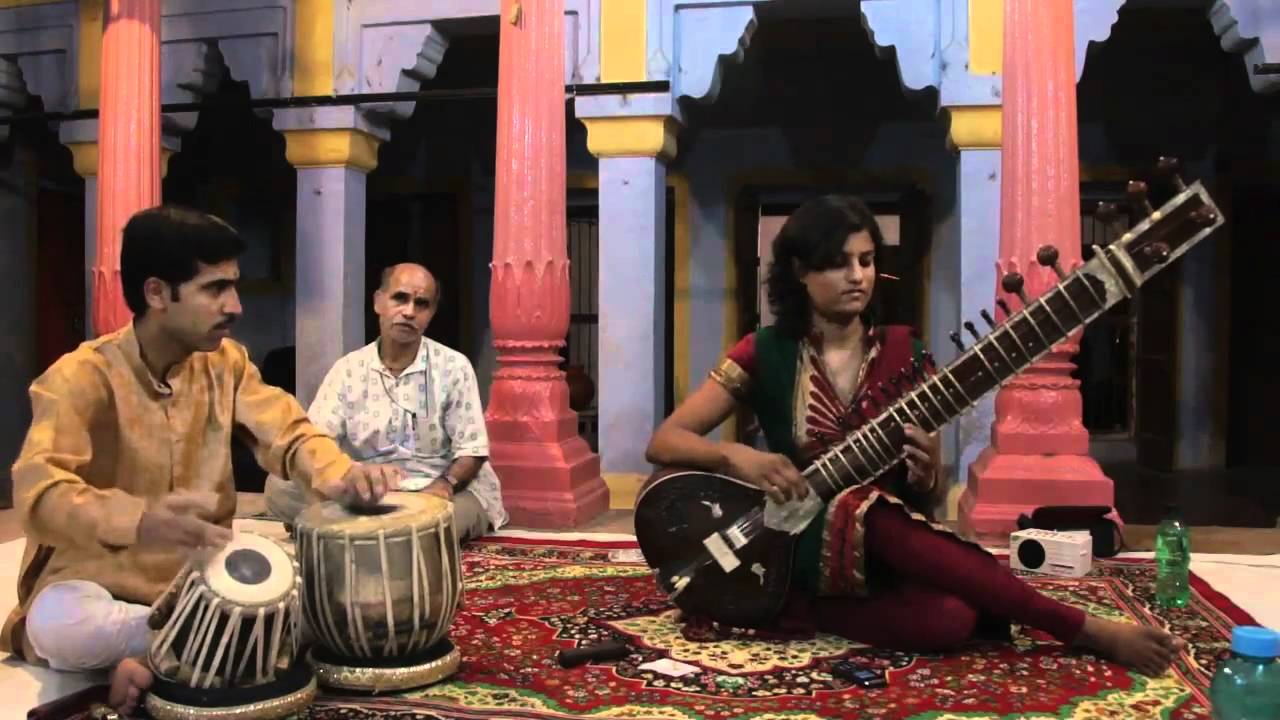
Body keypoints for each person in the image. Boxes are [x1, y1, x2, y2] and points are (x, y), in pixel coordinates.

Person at [645, 194, 1184, 677]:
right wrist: (734, 455)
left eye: (867, 260)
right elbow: (665, 441)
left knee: (950, 619)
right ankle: (1081, 628)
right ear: (800, 272)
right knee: (858, 507)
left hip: (885, 540)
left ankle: (786, 607)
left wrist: (928, 473)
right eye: (838, 264)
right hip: (789, 536)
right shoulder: (762, 352)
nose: (858, 275)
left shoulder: (908, 354)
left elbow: (921, 494)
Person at [0, 206, 403, 714]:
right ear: (156, 293)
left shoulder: (225, 363)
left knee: (320, 592)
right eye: (215, 289)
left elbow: (290, 432)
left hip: (200, 572)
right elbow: (39, 493)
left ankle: (163, 656)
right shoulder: (79, 377)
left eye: (233, 286)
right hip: (101, 579)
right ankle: (192, 648)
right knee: (58, 622)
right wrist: (139, 521)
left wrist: (343, 475)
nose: (235, 306)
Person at [264, 262, 507, 541]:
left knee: (439, 523)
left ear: (431, 314)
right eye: (400, 298)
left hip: (439, 490)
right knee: (279, 488)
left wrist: (445, 484)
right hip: (367, 493)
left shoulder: (454, 367)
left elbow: (472, 450)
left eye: (422, 304)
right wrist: (353, 475)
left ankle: (351, 530)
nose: (409, 311)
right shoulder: (348, 369)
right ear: (378, 302)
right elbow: (319, 441)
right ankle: (377, 528)